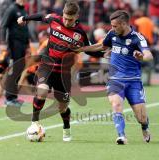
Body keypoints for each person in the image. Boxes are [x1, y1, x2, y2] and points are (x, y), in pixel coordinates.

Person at [17, 1, 104, 142]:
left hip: (63, 73)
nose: (67, 21)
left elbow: (88, 49)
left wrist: (104, 54)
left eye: (70, 19)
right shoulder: (54, 19)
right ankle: (34, 123)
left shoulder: (80, 33)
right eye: (65, 18)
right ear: (62, 13)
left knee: (62, 107)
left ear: (77, 16)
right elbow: (41, 16)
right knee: (42, 90)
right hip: (46, 66)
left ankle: (66, 127)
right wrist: (25, 18)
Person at [76, 10, 153, 144]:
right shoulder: (112, 34)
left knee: (141, 117)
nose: (112, 28)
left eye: (115, 26)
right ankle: (121, 136)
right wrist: (82, 49)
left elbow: (148, 55)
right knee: (116, 104)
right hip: (115, 79)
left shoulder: (137, 38)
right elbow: (101, 46)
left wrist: (142, 56)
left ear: (124, 24)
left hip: (133, 81)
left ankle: (144, 127)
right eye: (111, 25)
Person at [0, 0, 31, 107]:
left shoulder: (23, 10)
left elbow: (25, 29)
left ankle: (14, 97)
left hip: (22, 44)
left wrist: (28, 46)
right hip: (14, 44)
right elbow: (3, 25)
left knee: (18, 69)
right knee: (13, 70)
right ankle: (9, 98)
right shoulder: (12, 9)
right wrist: (3, 43)